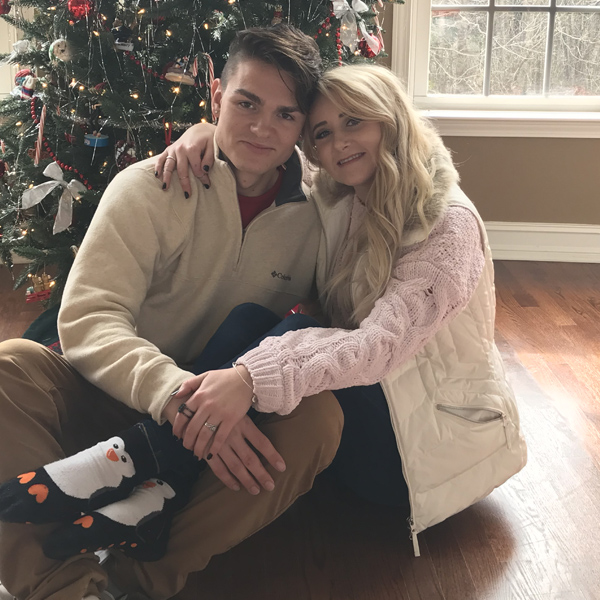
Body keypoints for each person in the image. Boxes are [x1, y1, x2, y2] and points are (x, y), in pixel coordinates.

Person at [0, 25, 343, 600]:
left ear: (303, 126)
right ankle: (66, 589)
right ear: (216, 95)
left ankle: (133, 580)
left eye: (285, 115)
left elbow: (335, 324)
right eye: (247, 103)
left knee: (319, 418)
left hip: (221, 420)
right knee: (8, 365)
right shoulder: (147, 186)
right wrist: (174, 397)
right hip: (112, 398)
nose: (262, 128)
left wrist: (219, 408)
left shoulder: (322, 216)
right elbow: (88, 318)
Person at [155, 63, 528, 555]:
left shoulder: (446, 225)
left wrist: (248, 379)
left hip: (416, 453)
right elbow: (268, 151)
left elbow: (378, 349)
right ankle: (160, 457)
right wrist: (208, 131)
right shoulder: (342, 192)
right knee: (250, 318)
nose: (339, 143)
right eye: (322, 133)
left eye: (354, 121)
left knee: (296, 334)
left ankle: (155, 464)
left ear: (390, 118)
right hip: (381, 406)